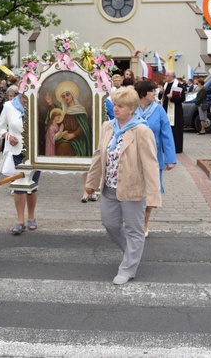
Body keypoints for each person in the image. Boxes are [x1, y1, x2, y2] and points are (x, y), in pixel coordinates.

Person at [84, 87, 161, 285]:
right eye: (115, 104)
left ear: (132, 109)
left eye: (120, 106)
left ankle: (127, 268)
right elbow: (98, 155)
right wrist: (91, 183)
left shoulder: (142, 131)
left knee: (135, 230)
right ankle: (132, 252)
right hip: (109, 188)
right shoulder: (108, 126)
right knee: (110, 224)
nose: (115, 109)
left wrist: (153, 196)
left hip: (133, 189)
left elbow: (151, 165)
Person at [0, 85, 41, 234]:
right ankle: (19, 220)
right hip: (17, 151)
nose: (26, 97)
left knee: (32, 185)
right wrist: (9, 137)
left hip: (35, 152)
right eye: (24, 93)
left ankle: (31, 217)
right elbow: (0, 127)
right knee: (19, 185)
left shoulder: (38, 103)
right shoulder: (9, 106)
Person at [135, 80, 176, 237]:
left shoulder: (159, 110)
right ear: (143, 93)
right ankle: (134, 221)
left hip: (154, 157)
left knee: (151, 191)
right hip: (134, 157)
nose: (155, 93)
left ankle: (145, 223)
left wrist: (170, 159)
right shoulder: (131, 109)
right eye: (152, 91)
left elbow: (167, 134)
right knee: (135, 191)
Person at [44, 81, 91, 157]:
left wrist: (73, 135)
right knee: (62, 145)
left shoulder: (80, 110)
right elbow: (57, 112)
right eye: (63, 96)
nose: (66, 97)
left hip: (76, 139)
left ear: (72, 95)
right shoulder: (64, 110)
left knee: (64, 146)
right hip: (63, 137)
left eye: (67, 95)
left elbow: (83, 128)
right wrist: (50, 103)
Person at [158, 70, 185, 153]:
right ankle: (166, 147)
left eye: (166, 75)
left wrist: (172, 97)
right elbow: (160, 97)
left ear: (171, 76)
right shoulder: (165, 85)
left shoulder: (178, 85)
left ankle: (177, 148)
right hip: (165, 110)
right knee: (166, 128)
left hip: (175, 111)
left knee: (175, 130)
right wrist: (161, 92)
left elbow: (182, 98)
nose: (165, 77)